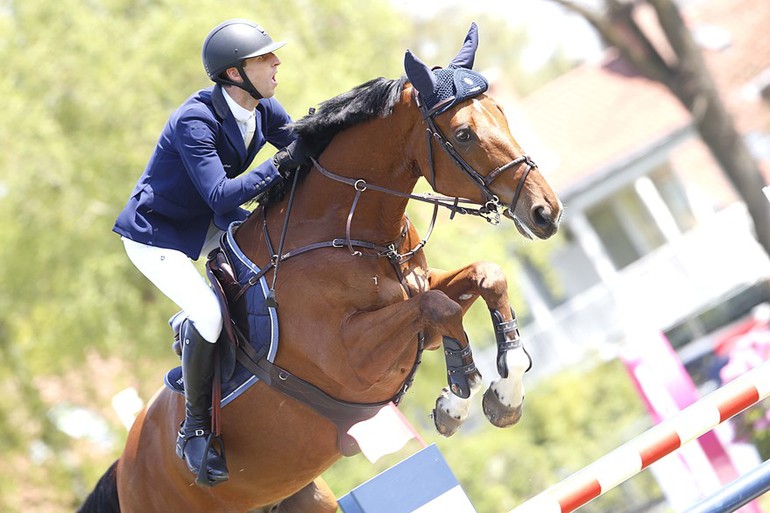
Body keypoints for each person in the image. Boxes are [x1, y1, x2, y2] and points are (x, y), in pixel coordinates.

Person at [113, 18, 308, 486]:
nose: (276, 62)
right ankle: (194, 428)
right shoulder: (195, 120)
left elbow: (302, 144)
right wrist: (281, 162)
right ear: (236, 74)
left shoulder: (262, 109)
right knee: (207, 315)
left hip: (204, 223)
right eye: (265, 58)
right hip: (157, 236)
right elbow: (222, 195)